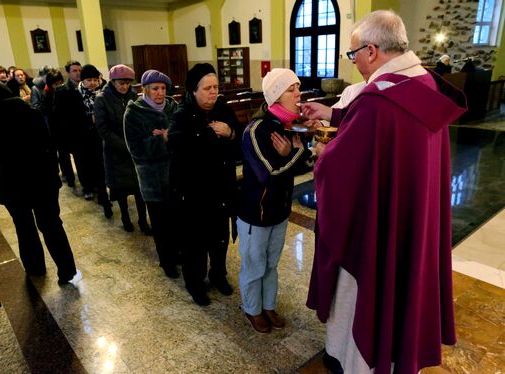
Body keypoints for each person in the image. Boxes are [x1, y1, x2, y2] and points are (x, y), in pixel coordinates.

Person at [302, 10, 467, 373]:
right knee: (402, 282)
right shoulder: (422, 85)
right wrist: (333, 115)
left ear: (372, 50)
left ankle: (358, 361)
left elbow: (345, 163)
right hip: (413, 216)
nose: (354, 61)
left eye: (353, 54)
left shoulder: (382, 99)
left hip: (375, 228)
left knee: (366, 284)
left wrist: (323, 154)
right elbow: (378, 130)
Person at [0, 81, 77, 284]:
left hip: (13, 184)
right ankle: (67, 269)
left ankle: (36, 269)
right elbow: (49, 143)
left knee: (24, 227)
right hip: (44, 180)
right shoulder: (32, 111)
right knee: (52, 224)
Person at [237, 68, 314, 333]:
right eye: (291, 89)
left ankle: (268, 305)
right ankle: (252, 309)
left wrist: (296, 154)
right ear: (275, 95)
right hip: (255, 214)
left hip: (279, 212)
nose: (298, 93)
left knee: (271, 265)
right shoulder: (256, 130)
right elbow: (269, 175)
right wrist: (297, 152)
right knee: (254, 265)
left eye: (297, 87)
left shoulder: (289, 125)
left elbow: (304, 167)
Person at [168, 63, 240, 306]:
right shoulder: (181, 115)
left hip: (221, 188)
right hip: (194, 193)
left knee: (219, 238)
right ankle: (195, 284)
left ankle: (218, 275)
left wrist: (229, 133)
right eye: (207, 88)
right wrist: (212, 135)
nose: (213, 92)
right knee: (195, 244)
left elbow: (238, 143)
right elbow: (181, 148)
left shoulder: (223, 109)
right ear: (194, 90)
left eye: (216, 87)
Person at [124, 69, 180, 278]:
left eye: (163, 88)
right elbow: (136, 149)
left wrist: (168, 135)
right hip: (153, 179)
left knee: (176, 219)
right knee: (160, 222)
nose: (160, 93)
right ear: (145, 90)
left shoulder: (173, 107)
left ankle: (177, 254)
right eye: (155, 88)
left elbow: (181, 135)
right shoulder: (134, 113)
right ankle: (166, 261)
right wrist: (162, 139)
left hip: (175, 174)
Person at [94, 64, 152, 235]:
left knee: (140, 189)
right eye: (121, 83)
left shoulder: (133, 95)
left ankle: (143, 220)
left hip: (135, 152)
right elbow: (103, 129)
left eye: (127, 83)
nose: (125, 86)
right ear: (112, 81)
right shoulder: (102, 98)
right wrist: (126, 145)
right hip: (115, 152)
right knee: (121, 190)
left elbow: (141, 119)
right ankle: (125, 217)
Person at [53, 64, 112, 217]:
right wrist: (88, 119)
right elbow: (65, 117)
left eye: (95, 80)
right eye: (89, 80)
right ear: (83, 80)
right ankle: (88, 187)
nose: (92, 83)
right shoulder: (70, 93)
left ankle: (102, 193)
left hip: (100, 135)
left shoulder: (104, 92)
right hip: (80, 135)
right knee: (84, 162)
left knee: (101, 164)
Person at [51, 60, 82, 189]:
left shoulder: (84, 87)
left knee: (80, 159)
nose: (78, 73)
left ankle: (86, 183)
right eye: (74, 71)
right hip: (66, 130)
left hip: (81, 130)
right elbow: (57, 113)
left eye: (80, 70)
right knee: (65, 157)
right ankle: (70, 179)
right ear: (68, 73)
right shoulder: (61, 90)